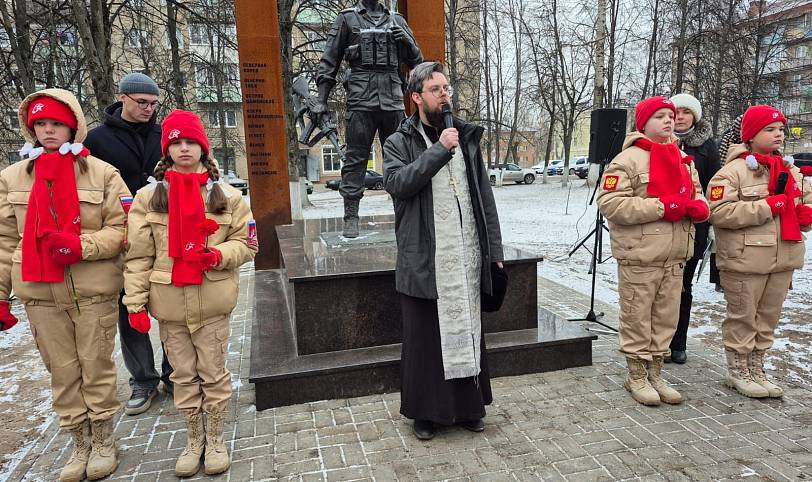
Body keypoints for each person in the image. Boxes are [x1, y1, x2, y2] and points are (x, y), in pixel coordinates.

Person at [0, 89, 130, 481]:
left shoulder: (102, 173)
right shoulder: (12, 178)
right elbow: (4, 240)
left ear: (73, 126)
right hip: (40, 293)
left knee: (95, 367)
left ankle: (103, 440)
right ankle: (79, 442)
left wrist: (81, 246)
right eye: (40, 123)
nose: (48, 130)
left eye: (56, 123)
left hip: (91, 291)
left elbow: (125, 229)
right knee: (61, 371)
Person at [124, 110, 257, 476]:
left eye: (191, 142)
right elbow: (138, 256)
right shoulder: (148, 198)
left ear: (203, 147)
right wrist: (135, 303)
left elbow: (248, 244)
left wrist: (217, 255)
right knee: (182, 376)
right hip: (169, 305)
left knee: (213, 373)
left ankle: (215, 438)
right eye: (176, 142)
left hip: (212, 301)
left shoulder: (228, 196)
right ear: (166, 150)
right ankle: (193, 438)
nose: (184, 148)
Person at [383, 62, 504, 440]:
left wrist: (495, 250)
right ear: (417, 97)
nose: (444, 95)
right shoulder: (398, 141)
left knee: (467, 331)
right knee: (425, 340)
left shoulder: (465, 137)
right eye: (436, 89)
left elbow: (484, 198)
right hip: (424, 259)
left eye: (446, 88)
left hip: (465, 257)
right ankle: (425, 414)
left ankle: (469, 407)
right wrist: (438, 150)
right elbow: (398, 184)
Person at [597, 96, 709, 407]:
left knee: (665, 318)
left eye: (671, 116)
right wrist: (661, 207)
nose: (669, 120)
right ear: (643, 123)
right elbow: (610, 203)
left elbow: (698, 193)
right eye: (660, 116)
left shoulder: (683, 159)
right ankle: (636, 375)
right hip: (641, 255)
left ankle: (656, 373)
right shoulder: (627, 160)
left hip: (675, 257)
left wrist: (700, 207)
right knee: (637, 316)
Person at [707, 105, 812, 399]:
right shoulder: (733, 171)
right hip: (745, 260)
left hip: (783, 257)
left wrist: (806, 213)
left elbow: (806, 199)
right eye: (770, 129)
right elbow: (719, 212)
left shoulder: (790, 170)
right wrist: (766, 206)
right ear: (751, 136)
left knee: (768, 317)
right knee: (743, 317)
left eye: (781, 129)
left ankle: (757, 367)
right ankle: (738, 371)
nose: (779, 134)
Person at [84, 72, 172, 415]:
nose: (149, 109)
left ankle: (174, 374)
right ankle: (143, 379)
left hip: (162, 233)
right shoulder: (97, 139)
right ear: (122, 98)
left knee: (170, 305)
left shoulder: (164, 136)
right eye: (142, 103)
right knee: (129, 307)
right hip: (120, 236)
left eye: (153, 104)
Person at [314, 0, 423, 237]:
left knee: (400, 159)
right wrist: (321, 99)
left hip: (393, 100)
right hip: (361, 99)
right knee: (355, 159)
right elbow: (329, 60)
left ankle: (404, 214)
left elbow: (418, 63)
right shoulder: (347, 19)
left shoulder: (397, 20)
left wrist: (407, 42)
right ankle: (351, 216)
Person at [666, 93, 721, 364]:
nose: (680, 117)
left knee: (683, 286)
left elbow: (713, 187)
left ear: (695, 117)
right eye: (676, 112)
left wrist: (709, 221)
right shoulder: (658, 142)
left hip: (693, 228)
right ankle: (657, 342)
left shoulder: (707, 147)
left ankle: (678, 343)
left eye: (686, 112)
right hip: (663, 226)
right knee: (662, 287)